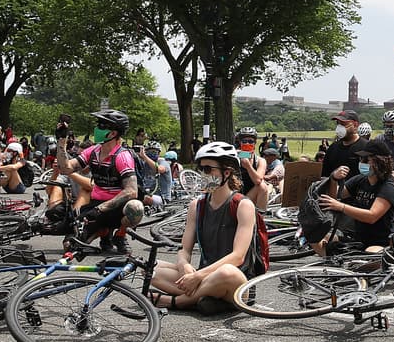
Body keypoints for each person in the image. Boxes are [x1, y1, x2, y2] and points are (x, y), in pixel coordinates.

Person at [149, 141, 260, 313]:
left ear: (227, 173)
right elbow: (184, 249)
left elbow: (238, 257)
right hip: (204, 278)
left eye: (208, 169)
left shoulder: (243, 205)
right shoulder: (197, 205)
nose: (202, 174)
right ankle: (204, 299)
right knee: (150, 269)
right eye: (200, 168)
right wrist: (184, 265)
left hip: (236, 282)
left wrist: (197, 276)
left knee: (226, 272)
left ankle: (177, 301)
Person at [60, 109, 143, 254]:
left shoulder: (122, 156)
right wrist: (61, 141)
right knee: (70, 245)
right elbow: (66, 169)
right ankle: (104, 233)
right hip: (95, 205)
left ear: (113, 133)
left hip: (116, 208)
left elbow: (131, 191)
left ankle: (120, 235)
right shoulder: (93, 151)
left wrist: (100, 210)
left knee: (135, 207)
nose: (97, 128)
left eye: (102, 126)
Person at [315, 138, 394, 256]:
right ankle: (331, 265)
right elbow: (336, 195)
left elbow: (372, 216)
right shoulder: (360, 180)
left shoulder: (388, 187)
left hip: (380, 242)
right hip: (357, 237)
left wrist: (341, 206)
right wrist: (333, 178)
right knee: (316, 237)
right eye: (361, 159)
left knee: (369, 255)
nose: (361, 162)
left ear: (380, 162)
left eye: (366, 159)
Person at [233, 127, 269, 210]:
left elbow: (258, 181)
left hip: (250, 196)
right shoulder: (235, 156)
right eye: (244, 141)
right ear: (240, 143)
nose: (247, 144)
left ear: (255, 143)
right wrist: (239, 155)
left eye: (250, 141)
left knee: (262, 186)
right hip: (235, 196)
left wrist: (248, 166)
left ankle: (260, 217)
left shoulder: (260, 160)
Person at [322, 111, 363, 180]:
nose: (339, 128)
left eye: (343, 124)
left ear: (355, 125)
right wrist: (334, 176)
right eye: (338, 124)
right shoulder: (332, 148)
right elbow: (324, 175)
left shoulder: (366, 148)